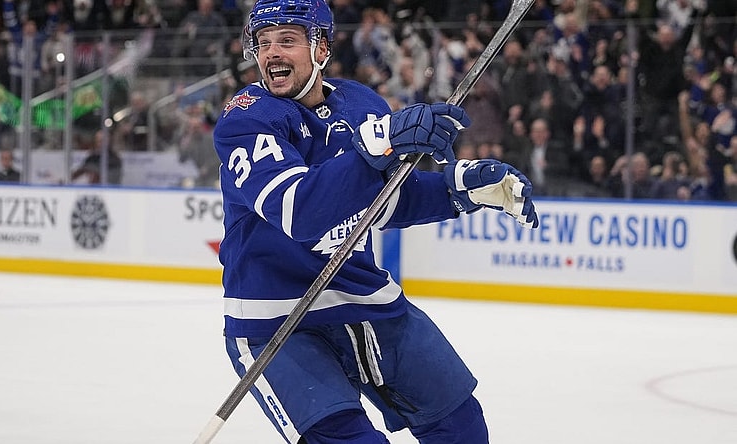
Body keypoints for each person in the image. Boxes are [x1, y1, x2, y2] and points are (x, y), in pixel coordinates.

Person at [212, 1, 539, 443]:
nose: (272, 54)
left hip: (365, 298)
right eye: (264, 43)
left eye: (287, 41)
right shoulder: (247, 118)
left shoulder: (361, 104)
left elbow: (381, 202)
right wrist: (381, 142)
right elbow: (299, 210)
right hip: (276, 319)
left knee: (461, 426)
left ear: (321, 48)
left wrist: (458, 189)